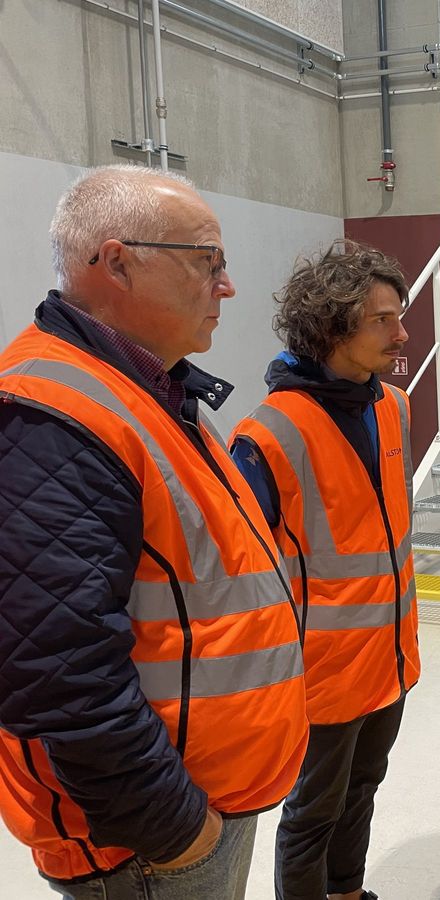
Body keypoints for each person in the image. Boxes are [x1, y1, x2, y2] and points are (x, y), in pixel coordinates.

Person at [0, 164, 309, 898]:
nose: (227, 287)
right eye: (208, 262)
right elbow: (56, 669)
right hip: (148, 843)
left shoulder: (151, 395)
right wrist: (177, 831)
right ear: (116, 263)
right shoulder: (51, 415)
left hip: (199, 804)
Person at [229, 240, 418, 900]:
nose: (402, 333)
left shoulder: (393, 407)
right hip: (321, 676)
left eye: (399, 316)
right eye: (383, 320)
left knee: (363, 789)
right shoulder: (268, 435)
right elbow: (242, 580)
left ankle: (347, 892)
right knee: (312, 815)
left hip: (390, 656)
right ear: (333, 328)